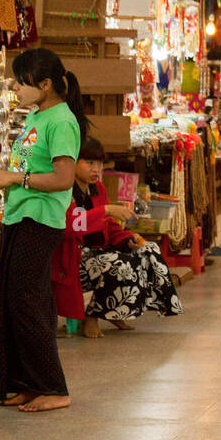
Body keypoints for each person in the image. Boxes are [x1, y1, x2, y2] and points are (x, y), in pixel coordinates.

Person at [0, 48, 86, 413]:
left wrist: (14, 177)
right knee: (16, 300)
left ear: (45, 85)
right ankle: (26, 382)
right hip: (19, 216)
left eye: (22, 82)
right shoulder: (37, 115)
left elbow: (63, 179)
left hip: (40, 221)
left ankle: (53, 387)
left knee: (27, 302)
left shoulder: (61, 121)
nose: (15, 88)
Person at [56, 138, 183, 338]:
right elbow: (71, 226)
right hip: (73, 257)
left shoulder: (99, 188)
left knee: (148, 250)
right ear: (73, 162)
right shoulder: (64, 190)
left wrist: (127, 239)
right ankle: (93, 315)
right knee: (116, 262)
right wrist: (105, 210)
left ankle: (114, 310)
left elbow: (110, 227)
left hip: (97, 253)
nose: (95, 169)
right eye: (89, 163)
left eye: (98, 163)